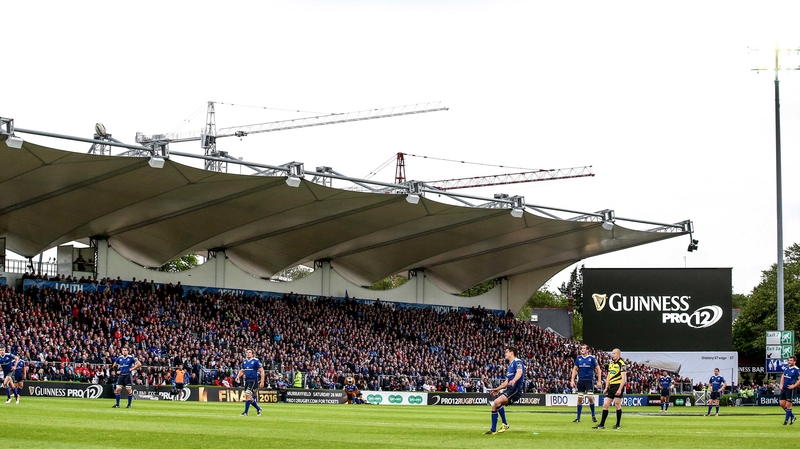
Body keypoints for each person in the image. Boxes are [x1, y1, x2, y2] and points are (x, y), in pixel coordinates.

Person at [484, 346, 524, 435]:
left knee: (496, 402)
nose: (505, 354)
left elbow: (519, 372)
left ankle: (505, 424)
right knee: (494, 406)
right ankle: (493, 430)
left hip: (515, 389)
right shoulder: (510, 365)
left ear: (511, 353)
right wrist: (497, 389)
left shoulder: (517, 362)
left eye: (506, 352)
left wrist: (514, 380)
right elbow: (506, 382)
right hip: (510, 389)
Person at [593, 348, 626, 430]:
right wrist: (606, 387)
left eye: (614, 353)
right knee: (605, 405)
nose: (612, 355)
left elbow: (623, 378)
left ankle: (618, 424)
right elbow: (608, 376)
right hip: (611, 386)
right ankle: (602, 424)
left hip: (618, 385)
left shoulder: (622, 364)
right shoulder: (611, 364)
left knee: (617, 404)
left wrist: (620, 389)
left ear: (618, 354)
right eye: (612, 353)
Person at [571, 344, 601, 423]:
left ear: (587, 350)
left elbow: (598, 369)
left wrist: (599, 381)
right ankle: (578, 418)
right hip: (581, 381)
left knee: (590, 397)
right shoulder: (578, 358)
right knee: (580, 398)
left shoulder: (592, 358)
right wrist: (572, 380)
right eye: (582, 348)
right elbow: (574, 369)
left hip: (589, 380)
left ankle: (593, 415)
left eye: (584, 348)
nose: (582, 349)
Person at [235, 349, 264, 417]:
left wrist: (262, 381)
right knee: (248, 397)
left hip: (253, 381)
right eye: (247, 352)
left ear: (252, 354)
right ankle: (258, 408)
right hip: (247, 381)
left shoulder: (256, 361)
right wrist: (238, 376)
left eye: (249, 352)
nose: (248, 353)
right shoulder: (244, 361)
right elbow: (242, 371)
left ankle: (246, 412)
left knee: (247, 394)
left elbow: (262, 371)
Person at [779, 356, 800, 425]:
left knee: (789, 405)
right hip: (784, 388)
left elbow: (799, 380)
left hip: (790, 389)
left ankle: (786, 421)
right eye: (789, 360)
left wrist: (794, 386)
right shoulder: (786, 368)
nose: (789, 361)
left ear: (794, 362)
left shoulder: (796, 370)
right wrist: (781, 384)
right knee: (782, 404)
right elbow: (783, 375)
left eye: (791, 360)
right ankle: (793, 416)